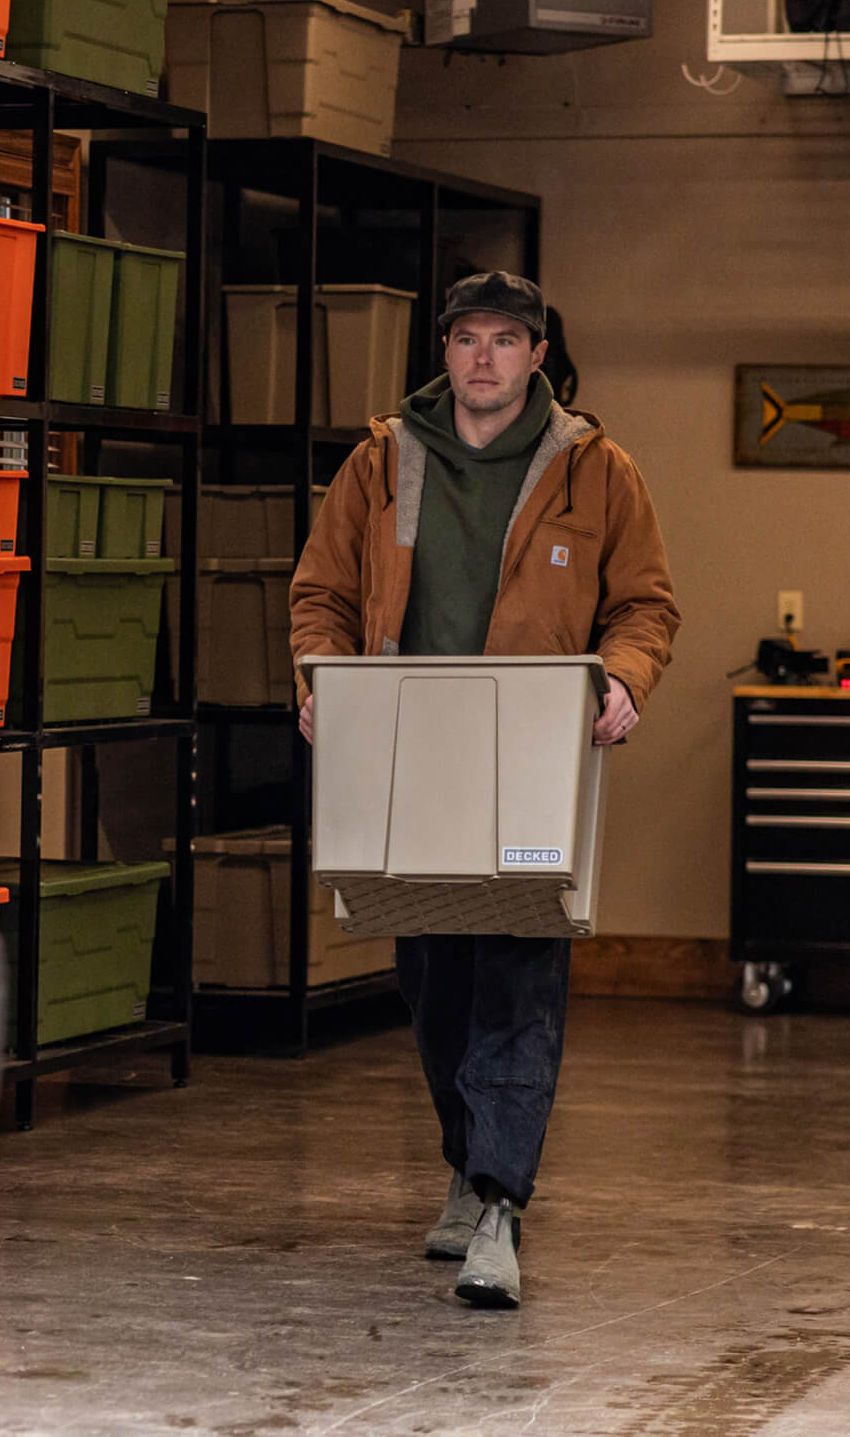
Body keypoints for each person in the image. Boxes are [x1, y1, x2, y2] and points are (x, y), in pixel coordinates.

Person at [288, 270, 679, 1310]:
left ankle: (500, 1202)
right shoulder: (382, 462)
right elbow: (320, 591)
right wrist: (318, 681)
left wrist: (626, 682)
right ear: (445, 350)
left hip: (529, 757)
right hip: (413, 755)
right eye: (468, 338)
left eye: (508, 340)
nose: (485, 359)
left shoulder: (598, 472)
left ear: (539, 353)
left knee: (519, 975)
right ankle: (465, 1163)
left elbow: (644, 605)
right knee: (433, 982)